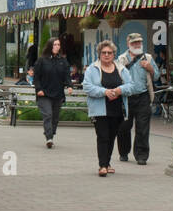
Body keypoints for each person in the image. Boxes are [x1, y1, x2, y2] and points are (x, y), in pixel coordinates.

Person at [84, 40, 132, 176]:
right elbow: (87, 87)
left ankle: (107, 162)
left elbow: (131, 86)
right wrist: (104, 92)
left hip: (117, 109)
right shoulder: (92, 69)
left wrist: (118, 90)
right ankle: (102, 166)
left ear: (114, 55)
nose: (106, 55)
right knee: (103, 136)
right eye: (103, 53)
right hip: (99, 109)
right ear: (99, 54)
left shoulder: (121, 68)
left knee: (111, 137)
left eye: (109, 53)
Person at [115, 32, 159, 165]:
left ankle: (141, 156)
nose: (137, 44)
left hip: (143, 96)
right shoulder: (121, 59)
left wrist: (150, 68)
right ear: (129, 44)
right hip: (126, 98)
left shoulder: (148, 57)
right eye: (134, 43)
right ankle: (123, 152)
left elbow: (156, 76)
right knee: (123, 127)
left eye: (139, 42)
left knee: (143, 128)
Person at [33, 37, 73, 149]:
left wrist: (69, 86)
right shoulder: (42, 60)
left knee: (55, 118)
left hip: (58, 94)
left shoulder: (63, 61)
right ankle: (49, 138)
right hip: (44, 94)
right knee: (48, 115)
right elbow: (36, 78)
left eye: (58, 45)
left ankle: (51, 135)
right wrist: (38, 89)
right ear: (50, 46)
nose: (57, 47)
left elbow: (67, 76)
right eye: (55, 44)